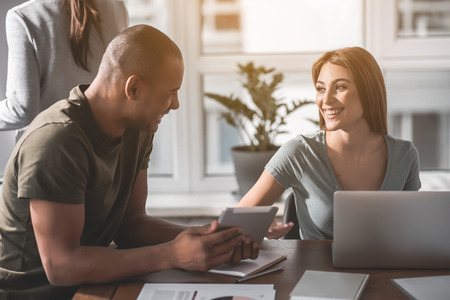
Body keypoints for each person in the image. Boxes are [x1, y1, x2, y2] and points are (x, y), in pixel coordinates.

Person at [0, 24, 258, 299]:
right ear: (132, 87)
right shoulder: (57, 141)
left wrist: (207, 238)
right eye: (170, 92)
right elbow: (61, 266)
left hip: (93, 286)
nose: (176, 105)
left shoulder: (138, 128)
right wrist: (171, 254)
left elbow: (131, 224)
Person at [237, 46, 421, 240]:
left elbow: (412, 229)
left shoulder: (405, 155)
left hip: (386, 268)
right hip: (316, 269)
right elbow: (239, 219)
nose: (326, 100)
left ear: (368, 91)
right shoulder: (299, 153)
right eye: (321, 89)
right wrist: (261, 224)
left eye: (340, 87)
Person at [0, 0, 129, 141]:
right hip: (101, 150)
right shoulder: (117, 7)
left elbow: (22, 110)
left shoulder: (22, 17)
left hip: (48, 150)